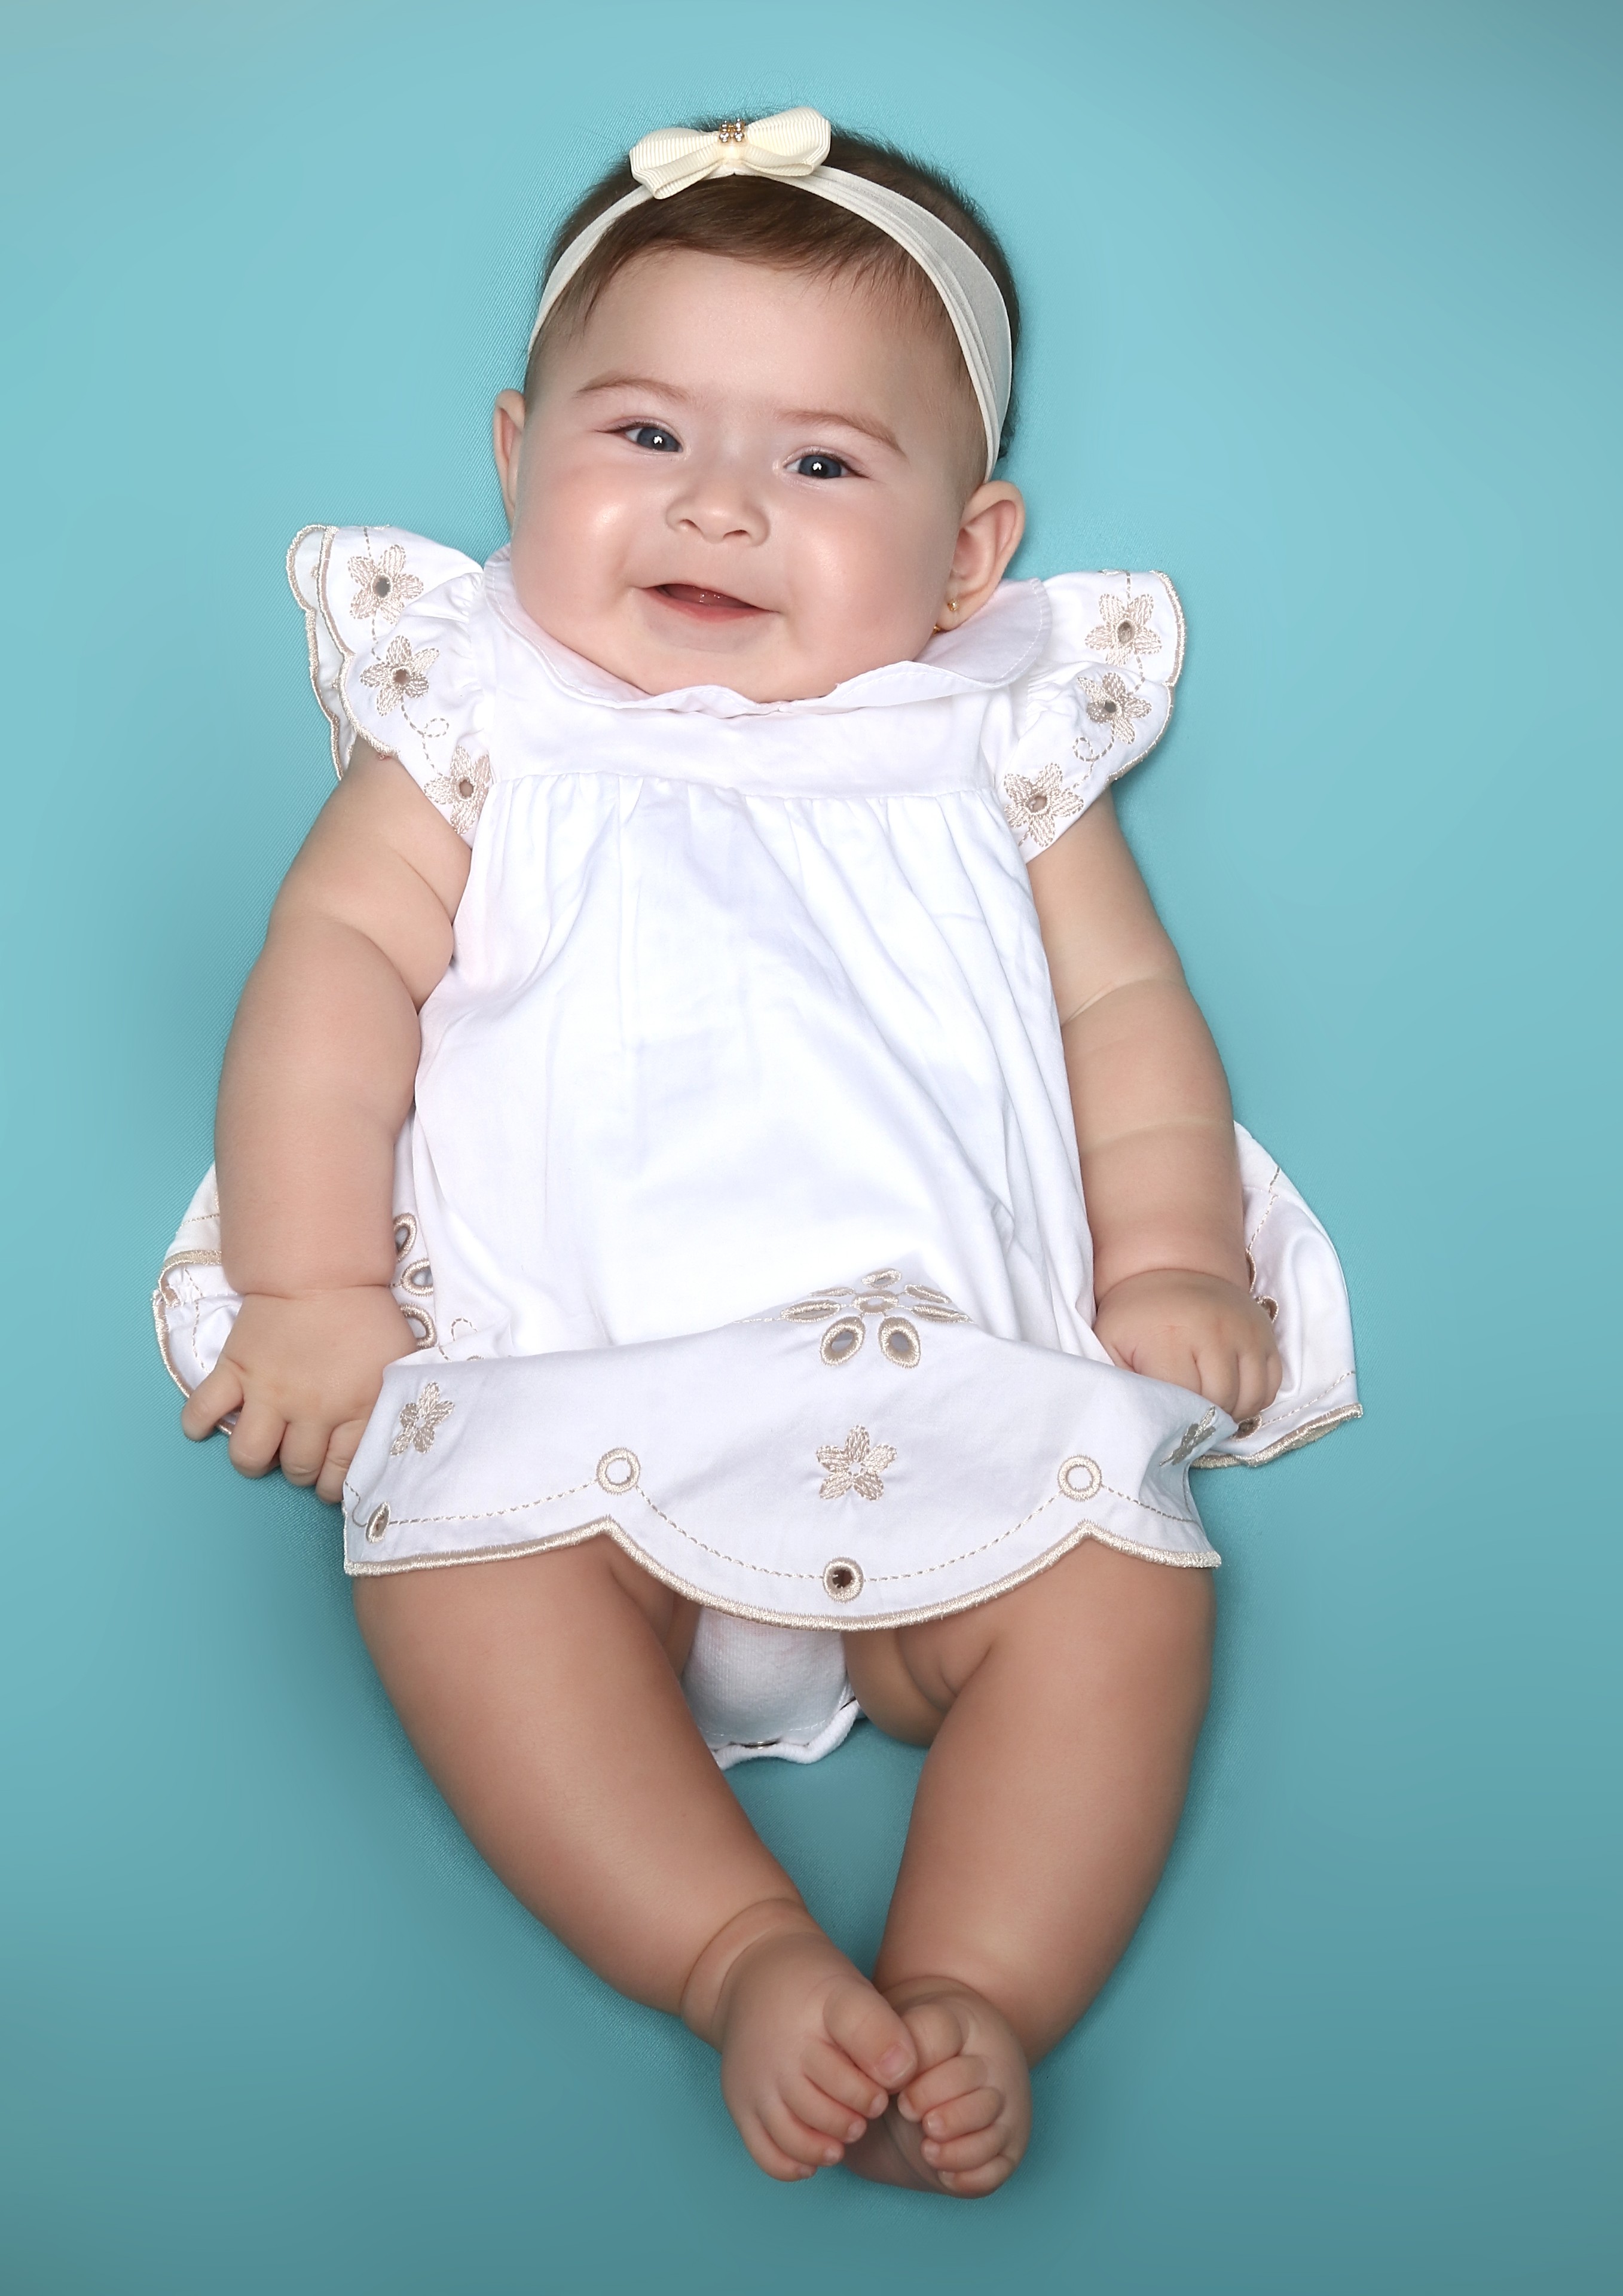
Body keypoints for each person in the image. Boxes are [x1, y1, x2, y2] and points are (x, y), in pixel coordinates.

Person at [156, 108, 1357, 2196]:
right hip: (572, 1406)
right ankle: (738, 1958)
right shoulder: (483, 720)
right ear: (517, 454)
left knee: (1120, 1588)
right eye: (643, 436)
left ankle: (970, 1995)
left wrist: (1171, 1254)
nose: (716, 505)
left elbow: (1123, 1019)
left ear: (966, 556)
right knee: (454, 1568)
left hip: (945, 1399)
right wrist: (313, 1287)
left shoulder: (980, 742)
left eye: (819, 466)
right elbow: (330, 977)